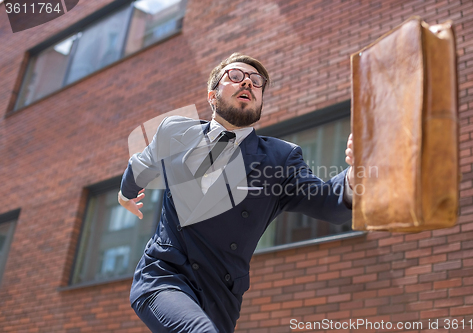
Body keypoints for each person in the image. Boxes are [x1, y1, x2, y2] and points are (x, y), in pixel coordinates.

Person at [118, 53, 355, 333]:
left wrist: (355, 172)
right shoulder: (175, 132)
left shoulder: (280, 157)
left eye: (257, 82)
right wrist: (125, 194)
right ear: (212, 95)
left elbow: (327, 201)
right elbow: (139, 166)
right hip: (164, 276)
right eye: (235, 76)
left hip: (221, 294)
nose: (248, 83)